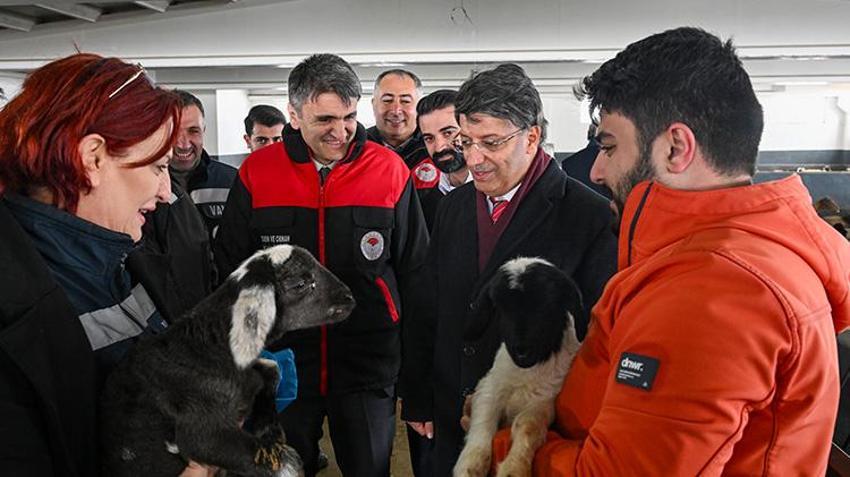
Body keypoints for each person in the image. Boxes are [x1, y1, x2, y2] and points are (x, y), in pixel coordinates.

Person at [490, 27, 850, 476]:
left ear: (676, 147)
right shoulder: (718, 257)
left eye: (609, 147)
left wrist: (510, 445)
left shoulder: (714, 292)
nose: (597, 171)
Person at [215, 53, 429, 477]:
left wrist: (416, 373)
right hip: (283, 367)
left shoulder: (389, 171)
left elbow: (417, 273)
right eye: (325, 120)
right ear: (294, 115)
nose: (341, 131)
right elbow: (231, 272)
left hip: (369, 364)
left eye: (349, 117)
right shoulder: (257, 173)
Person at [0, 53, 214, 477]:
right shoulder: (14, 314)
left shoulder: (126, 260)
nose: (167, 192)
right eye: (157, 166)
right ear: (93, 158)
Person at [401, 63, 618, 476]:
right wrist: (417, 395)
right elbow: (429, 304)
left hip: (531, 431)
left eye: (491, 142)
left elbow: (595, 341)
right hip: (450, 415)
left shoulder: (587, 217)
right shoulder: (454, 206)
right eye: (466, 142)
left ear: (532, 137)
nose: (474, 159)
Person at [169, 90, 237, 240]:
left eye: (193, 131)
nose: (183, 144)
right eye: (173, 132)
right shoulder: (143, 184)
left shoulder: (232, 181)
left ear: (203, 131)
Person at [415, 89, 471, 231]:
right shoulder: (421, 208)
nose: (439, 147)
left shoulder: (499, 195)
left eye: (448, 133)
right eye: (429, 138)